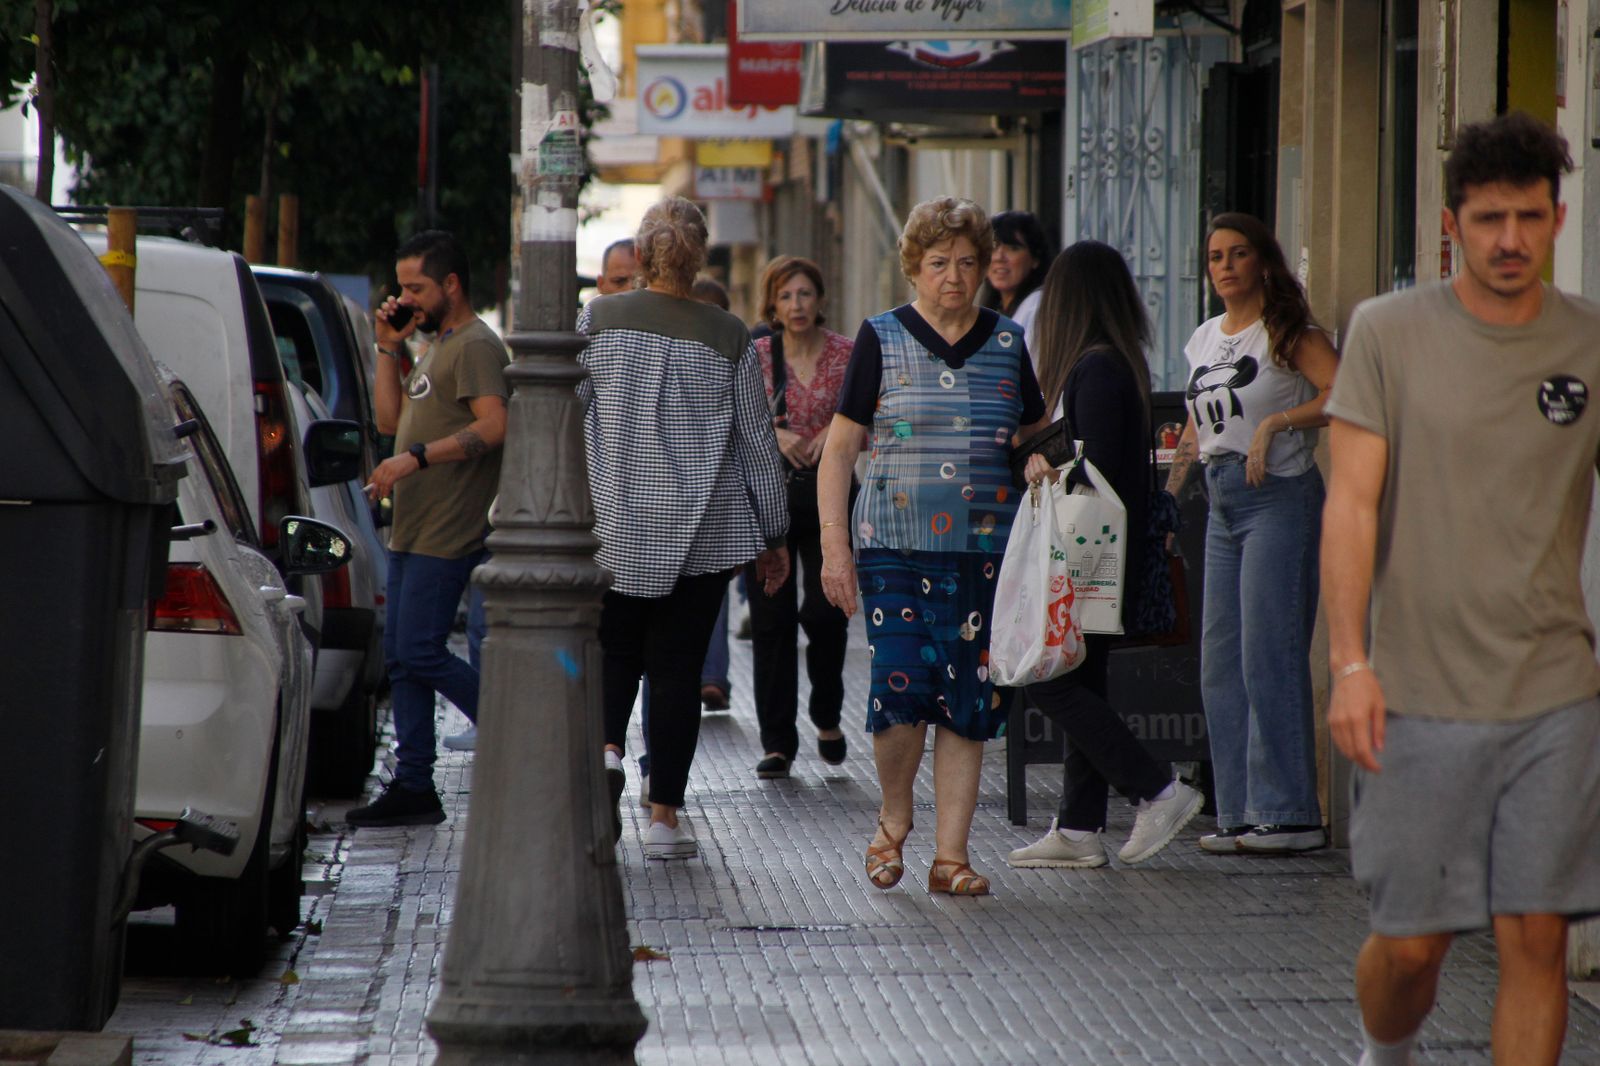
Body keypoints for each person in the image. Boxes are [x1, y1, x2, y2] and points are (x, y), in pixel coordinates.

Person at [1324, 112, 1600, 1066]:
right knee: (1411, 949)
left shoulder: (1591, 345)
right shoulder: (1387, 335)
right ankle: (1385, 1051)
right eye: (1488, 219)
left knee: (1538, 941)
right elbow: (1351, 507)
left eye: (1528, 217)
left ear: (1559, 218)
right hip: (1416, 694)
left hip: (1555, 692)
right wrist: (1350, 662)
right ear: (1452, 225)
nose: (1510, 240)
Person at [818, 197, 1049, 897]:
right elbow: (837, 452)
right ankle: (894, 816)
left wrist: (1038, 458)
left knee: (969, 700)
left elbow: (1033, 432)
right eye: (938, 263)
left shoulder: (1008, 342)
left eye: (968, 263)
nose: (954, 276)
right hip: (892, 541)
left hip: (985, 549)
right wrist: (834, 548)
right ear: (914, 268)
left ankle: (952, 857)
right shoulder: (881, 336)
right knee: (900, 687)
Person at [580, 197, 790, 860]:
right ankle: (664, 819)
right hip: (701, 535)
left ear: (639, 258)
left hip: (611, 526)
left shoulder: (599, 320)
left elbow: (563, 412)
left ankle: (608, 751)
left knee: (612, 655)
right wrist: (774, 534)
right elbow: (757, 442)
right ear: (700, 259)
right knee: (675, 674)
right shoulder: (729, 334)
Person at [1005, 242, 1204, 870]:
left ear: (1069, 302)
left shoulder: (1094, 369)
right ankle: (1080, 825)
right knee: (1081, 677)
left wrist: (1046, 464)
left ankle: (1157, 787)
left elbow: (1095, 470)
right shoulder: (1119, 363)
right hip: (1106, 556)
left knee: (1047, 678)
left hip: (1090, 558)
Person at [1163, 211, 1339, 854]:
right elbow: (1193, 426)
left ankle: (1291, 815)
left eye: (1238, 254)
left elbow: (1346, 393)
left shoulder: (1288, 331)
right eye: (1215, 257)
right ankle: (1239, 812)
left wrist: (1278, 424)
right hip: (1221, 501)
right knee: (1221, 664)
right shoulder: (1205, 337)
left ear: (1263, 261)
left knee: (1270, 654)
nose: (1226, 266)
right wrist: (1167, 500)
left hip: (1279, 498)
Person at [348, 230, 509, 827]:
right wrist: (389, 347)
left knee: (419, 649)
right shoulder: (435, 345)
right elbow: (391, 420)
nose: (405, 297)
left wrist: (415, 459)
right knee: (401, 658)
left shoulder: (474, 346)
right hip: (412, 529)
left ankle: (511, 729)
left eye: (416, 287)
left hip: (450, 528)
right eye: (401, 287)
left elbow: (495, 426)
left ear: (450, 285)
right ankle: (414, 784)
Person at [748, 257, 855, 779]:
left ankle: (828, 712)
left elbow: (868, 411)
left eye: (805, 294)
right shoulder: (756, 354)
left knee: (824, 609)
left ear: (820, 300)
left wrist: (832, 438)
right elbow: (735, 420)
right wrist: (776, 434)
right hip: (768, 500)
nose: (796, 305)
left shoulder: (845, 353)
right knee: (770, 620)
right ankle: (777, 742)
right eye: (786, 296)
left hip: (830, 497)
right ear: (772, 304)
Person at [981, 210, 1051, 340]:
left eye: (1013, 248)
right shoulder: (993, 311)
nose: (999, 257)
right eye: (993, 247)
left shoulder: (1037, 307)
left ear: (1035, 258)